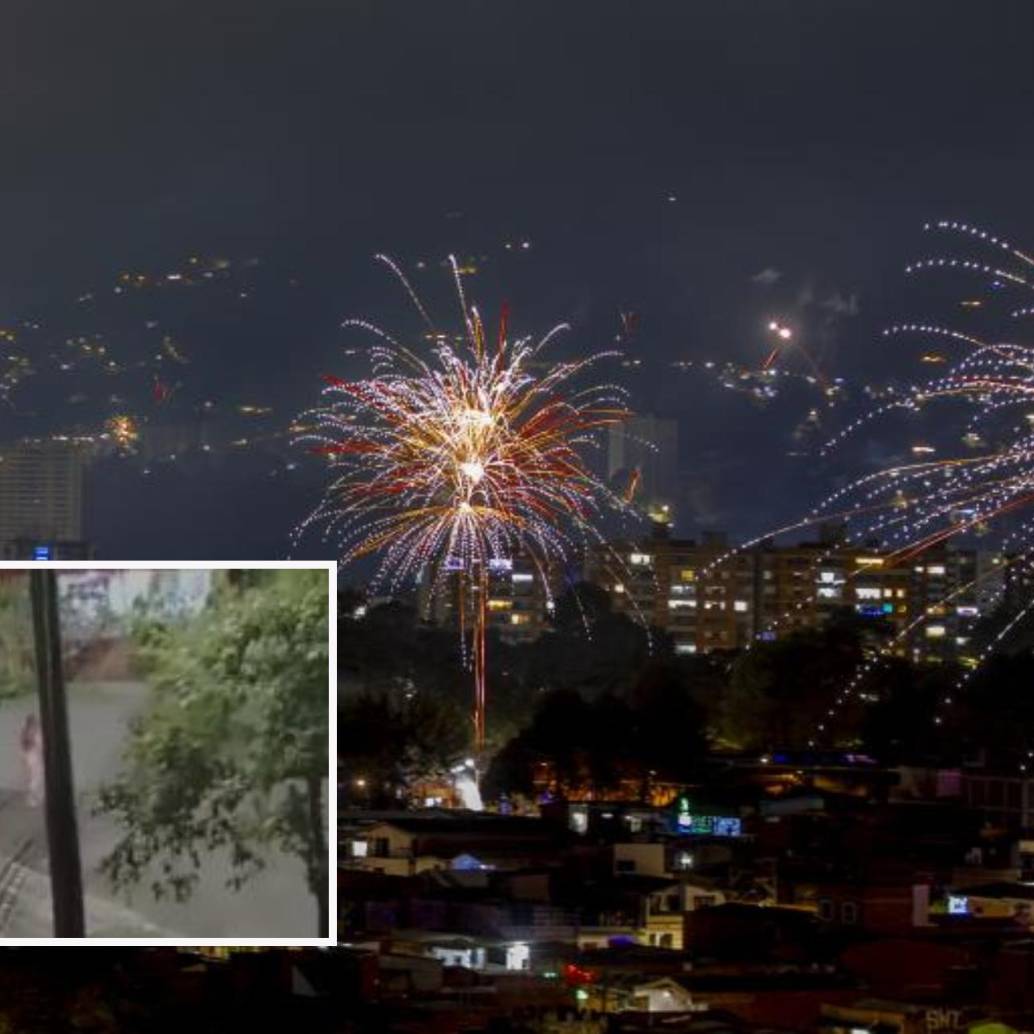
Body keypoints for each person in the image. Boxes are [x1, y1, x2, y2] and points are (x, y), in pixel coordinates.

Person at [20, 714, 43, 808]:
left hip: (30, 757)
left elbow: (23, 749)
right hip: (34, 758)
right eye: (35, 722)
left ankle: (37, 796)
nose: (37, 723)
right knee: (36, 777)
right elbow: (39, 746)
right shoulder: (33, 733)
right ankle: (32, 798)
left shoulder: (25, 732)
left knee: (35, 776)